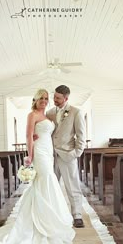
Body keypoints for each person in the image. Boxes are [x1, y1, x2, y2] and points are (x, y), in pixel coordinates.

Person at [0, 89, 75, 244]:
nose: (45, 101)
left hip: (48, 151)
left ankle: (47, 219)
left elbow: (45, 133)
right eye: (42, 98)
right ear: (36, 99)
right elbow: (28, 136)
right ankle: (40, 222)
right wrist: (30, 155)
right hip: (39, 153)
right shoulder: (32, 115)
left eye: (47, 98)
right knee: (45, 179)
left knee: (46, 181)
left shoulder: (47, 116)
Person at [46, 85, 86, 228]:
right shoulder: (49, 112)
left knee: (72, 186)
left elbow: (81, 136)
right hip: (51, 156)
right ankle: (53, 214)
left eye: (58, 98)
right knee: (51, 186)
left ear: (66, 98)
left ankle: (77, 215)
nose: (54, 99)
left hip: (67, 155)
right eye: (54, 96)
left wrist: (75, 153)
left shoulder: (76, 112)